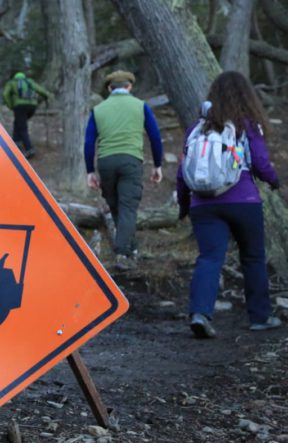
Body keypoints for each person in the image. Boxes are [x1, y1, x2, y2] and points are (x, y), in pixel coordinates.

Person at [176, 71, 282, 338]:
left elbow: (182, 171)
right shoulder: (247, 123)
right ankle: (260, 317)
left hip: (203, 204)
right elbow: (259, 161)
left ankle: (200, 313)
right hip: (243, 200)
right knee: (253, 258)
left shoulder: (197, 128)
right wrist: (274, 181)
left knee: (209, 258)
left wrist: (184, 205)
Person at [84, 70, 163, 271]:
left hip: (106, 162)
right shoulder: (140, 106)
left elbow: (89, 142)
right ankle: (121, 252)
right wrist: (157, 165)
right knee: (128, 207)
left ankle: (131, 248)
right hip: (131, 160)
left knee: (117, 206)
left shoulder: (98, 109)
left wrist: (90, 171)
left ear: (110, 89)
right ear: (129, 87)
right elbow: (154, 136)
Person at [2, 71, 50, 159]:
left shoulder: (12, 83)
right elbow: (41, 91)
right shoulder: (29, 81)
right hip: (32, 107)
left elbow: (5, 94)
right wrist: (45, 97)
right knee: (18, 123)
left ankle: (29, 149)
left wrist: (11, 105)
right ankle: (16, 142)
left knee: (22, 127)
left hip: (19, 107)